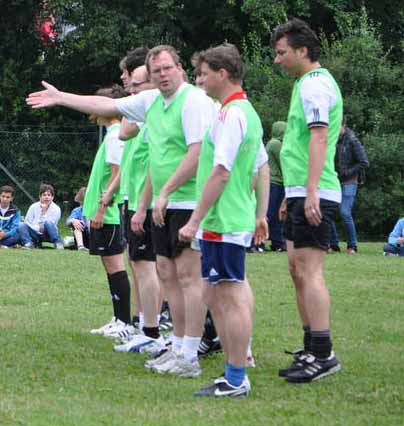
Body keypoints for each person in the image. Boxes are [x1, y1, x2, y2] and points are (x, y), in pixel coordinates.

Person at [27, 45, 217, 378]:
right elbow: (106, 105)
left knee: (189, 277)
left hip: (188, 201)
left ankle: (190, 353)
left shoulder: (193, 101)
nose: (162, 75)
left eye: (167, 68)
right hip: (162, 203)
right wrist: (61, 98)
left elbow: (197, 153)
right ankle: (176, 347)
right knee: (168, 275)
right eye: (156, 70)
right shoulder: (151, 100)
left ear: (180, 68)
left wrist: (165, 192)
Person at [179, 44, 269, 397]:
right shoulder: (238, 111)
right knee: (214, 294)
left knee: (229, 296)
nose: (200, 80)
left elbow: (221, 172)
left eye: (204, 73)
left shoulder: (233, 114)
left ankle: (236, 378)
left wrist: (194, 220)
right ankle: (234, 370)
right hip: (227, 219)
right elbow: (260, 166)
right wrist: (258, 213)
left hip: (224, 220)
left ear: (223, 73)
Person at [272, 18, 342, 383]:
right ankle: (311, 347)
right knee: (297, 270)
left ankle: (323, 353)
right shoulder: (304, 84)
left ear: (302, 51)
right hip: (301, 191)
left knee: (310, 272)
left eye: (281, 52)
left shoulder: (315, 85)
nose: (277, 60)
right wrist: (292, 192)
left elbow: (319, 137)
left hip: (316, 192)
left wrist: (312, 190)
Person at [101, 64, 166, 354]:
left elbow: (126, 132)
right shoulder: (152, 112)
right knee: (140, 264)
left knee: (153, 267)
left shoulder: (154, 112)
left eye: (132, 79)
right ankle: (143, 325)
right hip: (138, 197)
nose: (126, 83)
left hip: (148, 200)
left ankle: (153, 330)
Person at [82, 85, 134, 338]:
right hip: (101, 212)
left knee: (115, 266)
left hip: (108, 214)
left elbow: (117, 174)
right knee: (109, 266)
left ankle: (124, 321)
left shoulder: (115, 136)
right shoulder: (111, 135)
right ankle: (117, 318)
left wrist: (103, 208)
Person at [329, 117, 369, 254]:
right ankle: (333, 244)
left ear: (344, 125)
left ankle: (352, 245)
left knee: (345, 212)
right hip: (335, 180)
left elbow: (364, 162)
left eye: (336, 125)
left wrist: (348, 173)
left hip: (350, 181)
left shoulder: (352, 140)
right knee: (329, 211)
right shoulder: (334, 139)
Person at [19, 183, 64, 249]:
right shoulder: (33, 206)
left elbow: (51, 225)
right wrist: (37, 228)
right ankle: (29, 243)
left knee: (48, 223)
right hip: (34, 232)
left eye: (49, 195)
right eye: (44, 195)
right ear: (40, 197)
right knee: (21, 225)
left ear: (52, 197)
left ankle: (58, 243)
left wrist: (43, 212)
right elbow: (27, 222)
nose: (46, 197)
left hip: (48, 234)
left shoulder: (56, 209)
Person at [266, 121, 287, 252]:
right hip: (275, 182)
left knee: (274, 214)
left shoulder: (273, 143)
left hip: (275, 181)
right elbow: (283, 162)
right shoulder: (276, 144)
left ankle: (277, 242)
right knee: (272, 213)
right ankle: (260, 241)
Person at [66, 186, 89, 251]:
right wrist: (73, 220)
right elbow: (68, 221)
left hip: (94, 235)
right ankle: (80, 246)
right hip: (82, 236)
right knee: (77, 223)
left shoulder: (96, 210)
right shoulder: (77, 210)